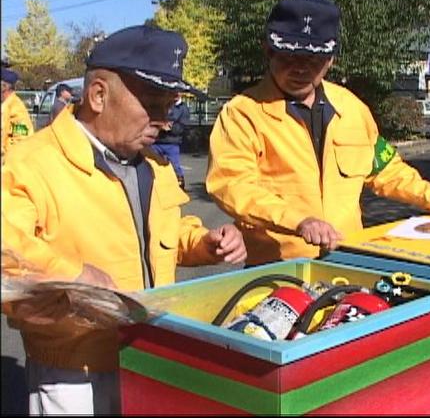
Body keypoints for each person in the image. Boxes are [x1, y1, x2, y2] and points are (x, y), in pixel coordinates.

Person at [1, 25, 247, 415]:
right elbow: (5, 248)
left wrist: (204, 242)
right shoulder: (30, 163)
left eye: (170, 107)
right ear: (98, 95)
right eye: (153, 104)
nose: (164, 121)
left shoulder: (154, 164)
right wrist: (73, 276)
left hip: (150, 357)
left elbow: (161, 233)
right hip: (74, 371)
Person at [206, 0, 430, 266]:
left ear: (331, 60)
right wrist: (298, 221)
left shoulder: (352, 108)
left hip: (348, 261)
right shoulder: (242, 114)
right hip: (277, 268)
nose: (301, 67)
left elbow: (387, 170)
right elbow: (232, 185)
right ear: (269, 51)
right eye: (290, 56)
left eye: (313, 58)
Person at [151, 92, 190, 189]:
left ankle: (180, 184)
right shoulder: (165, 105)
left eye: (177, 93)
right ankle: (156, 184)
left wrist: (170, 127)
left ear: (181, 94)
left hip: (172, 142)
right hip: (157, 141)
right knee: (153, 163)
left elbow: (182, 127)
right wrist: (161, 125)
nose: (175, 94)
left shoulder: (183, 109)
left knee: (175, 165)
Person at [1, 67, 35, 160]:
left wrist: (4, 157)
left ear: (4, 87)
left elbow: (21, 140)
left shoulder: (17, 110)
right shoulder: (5, 104)